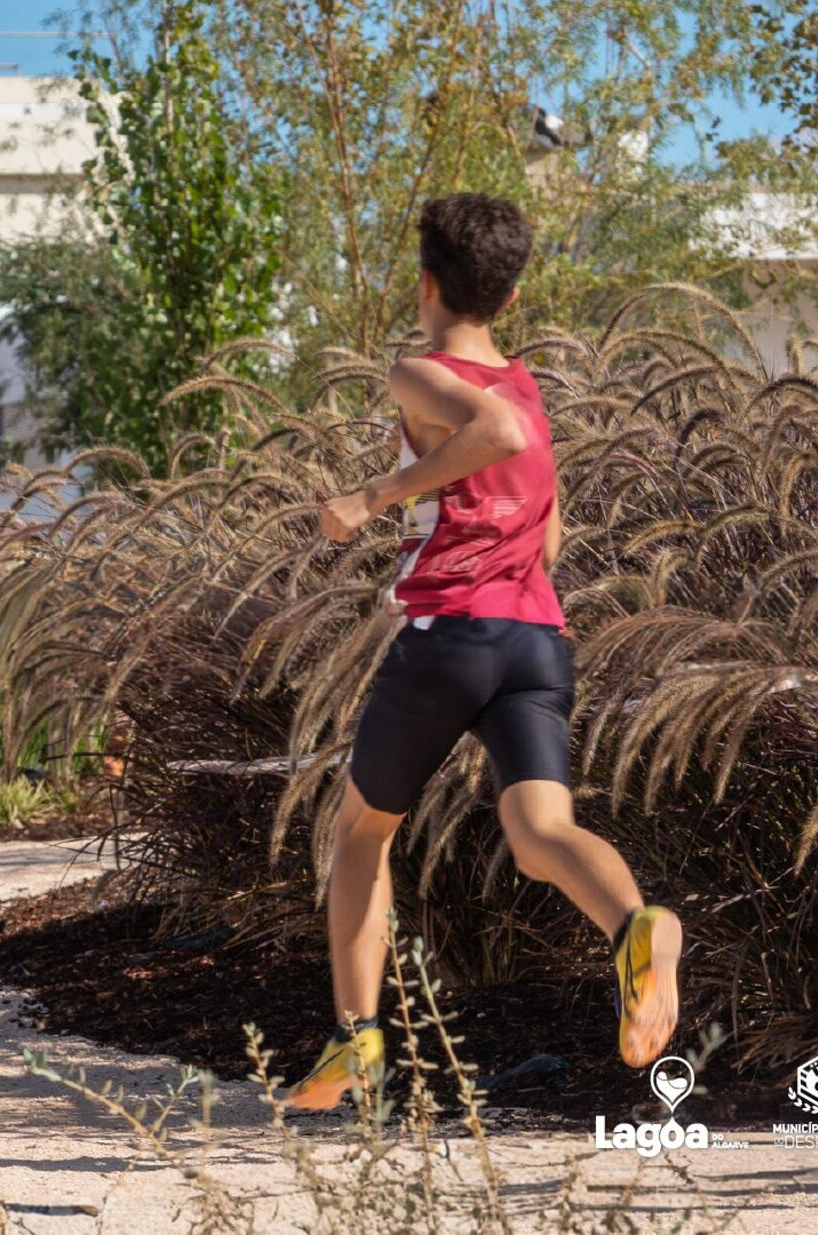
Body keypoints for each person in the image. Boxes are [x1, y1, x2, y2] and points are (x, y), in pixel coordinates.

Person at [285, 193, 683, 1111]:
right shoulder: (529, 385)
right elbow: (545, 535)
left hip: (451, 638)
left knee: (360, 831)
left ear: (428, 283)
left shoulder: (419, 374)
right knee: (541, 832)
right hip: (536, 639)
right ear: (506, 294)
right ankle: (637, 924)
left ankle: (356, 1044)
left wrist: (373, 498)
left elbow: (492, 437)